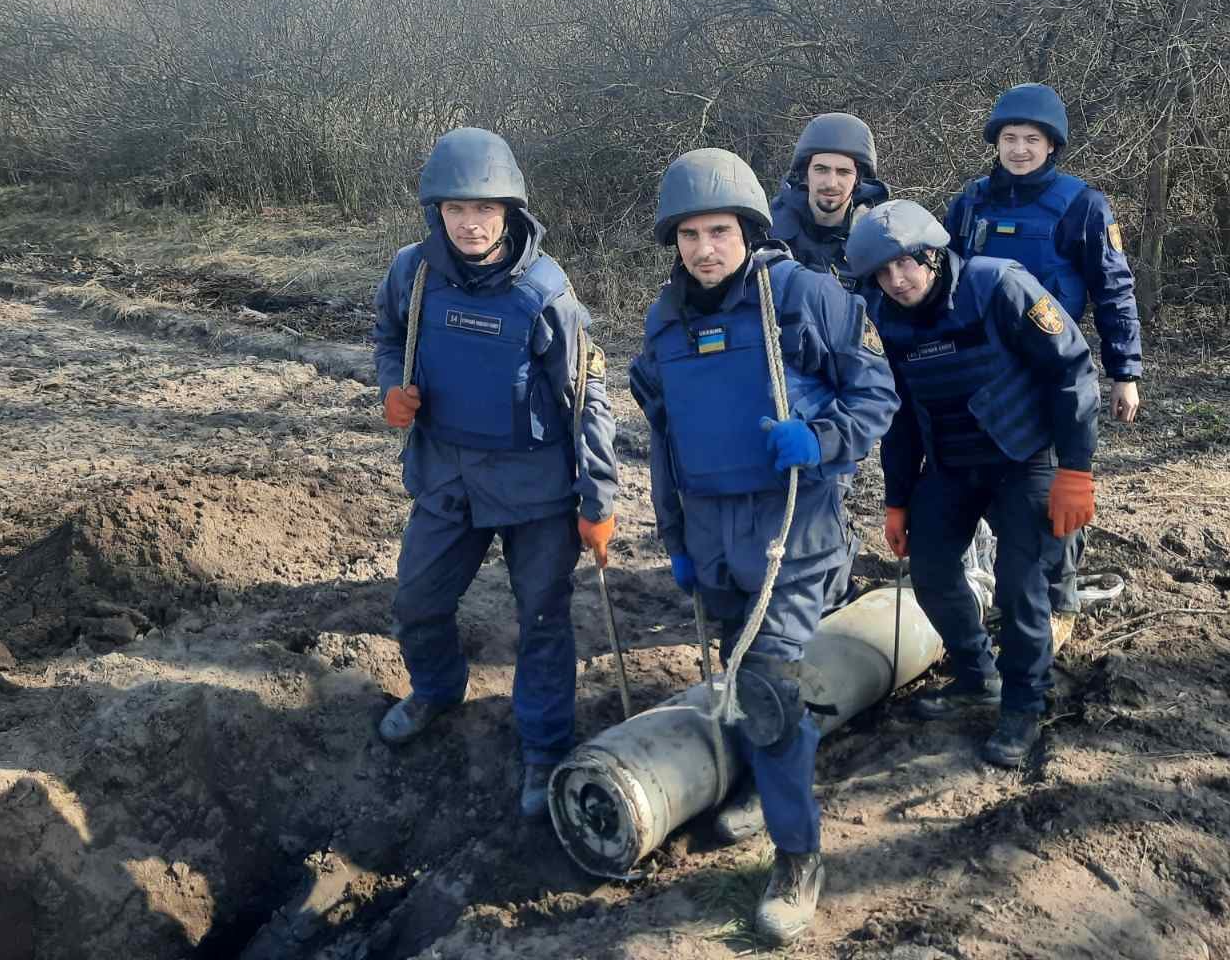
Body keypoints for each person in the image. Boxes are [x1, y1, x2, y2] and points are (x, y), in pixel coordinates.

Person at [629, 148, 898, 943]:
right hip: (712, 538)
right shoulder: (666, 319)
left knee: (773, 689)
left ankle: (797, 857)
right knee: (743, 682)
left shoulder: (805, 297)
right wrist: (674, 538)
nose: (704, 249)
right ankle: (758, 789)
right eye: (688, 236)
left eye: (719, 231)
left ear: (747, 228)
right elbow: (663, 439)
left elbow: (876, 391)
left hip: (795, 534)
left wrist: (819, 439)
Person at [370, 127, 620, 819]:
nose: (471, 223)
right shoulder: (411, 274)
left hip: (536, 487)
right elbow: (389, 337)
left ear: (510, 212)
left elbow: (587, 398)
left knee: (541, 621)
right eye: (456, 209)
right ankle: (437, 689)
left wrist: (598, 497)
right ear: (437, 213)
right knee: (418, 603)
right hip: (446, 477)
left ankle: (543, 747)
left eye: (485, 209)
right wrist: (391, 386)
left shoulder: (545, 294)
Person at [845, 200, 1100, 768]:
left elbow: (1072, 372)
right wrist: (897, 499)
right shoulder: (886, 318)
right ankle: (974, 674)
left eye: (906, 264)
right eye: (882, 274)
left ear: (934, 255)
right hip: (952, 464)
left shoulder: (1000, 286)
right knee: (932, 571)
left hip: (1025, 457)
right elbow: (902, 414)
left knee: (1019, 584)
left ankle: (1023, 704)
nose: (897, 280)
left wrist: (1076, 470)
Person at [944, 83, 1141, 643]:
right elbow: (941, 280)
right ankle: (988, 582)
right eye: (1010, 138)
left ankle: (1058, 599)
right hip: (978, 370)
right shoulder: (971, 201)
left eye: (1032, 139)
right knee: (978, 478)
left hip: (1051, 369)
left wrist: (1124, 371)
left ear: (1052, 146)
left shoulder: (1084, 206)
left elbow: (1114, 292)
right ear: (996, 143)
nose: (1020, 149)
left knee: (1054, 485)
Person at [769, 112, 890, 290]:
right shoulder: (767, 230)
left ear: (858, 179)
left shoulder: (879, 238)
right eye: (821, 169)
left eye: (843, 172)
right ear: (805, 173)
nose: (831, 183)